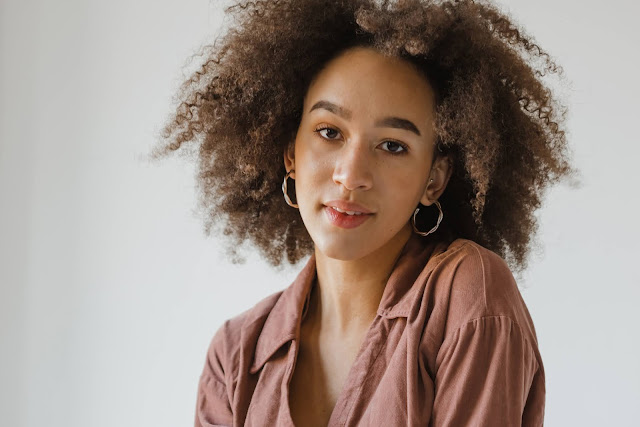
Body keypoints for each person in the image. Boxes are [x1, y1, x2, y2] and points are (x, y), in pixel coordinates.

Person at [149, 0, 576, 425]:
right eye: (329, 132)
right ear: (290, 154)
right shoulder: (235, 357)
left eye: (392, 145)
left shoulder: (468, 297)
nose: (351, 175)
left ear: (434, 180)